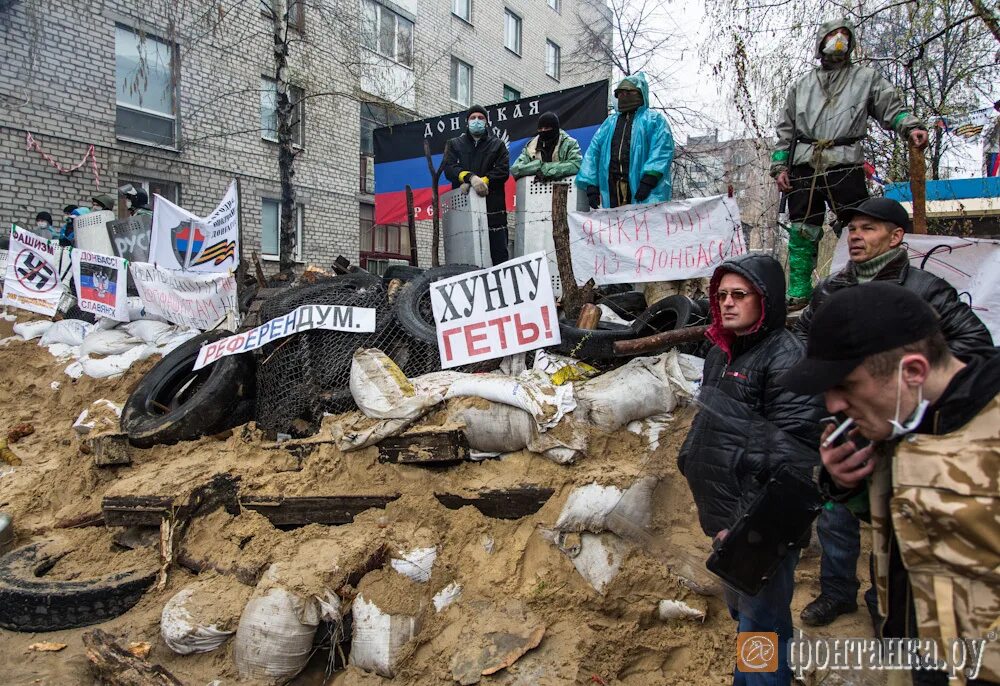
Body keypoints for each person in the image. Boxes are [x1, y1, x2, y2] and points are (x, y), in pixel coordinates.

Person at [780, 282, 1000, 685]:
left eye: (846, 386)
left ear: (913, 371)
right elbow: (911, 535)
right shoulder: (900, 425)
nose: (832, 406)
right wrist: (847, 485)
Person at [792, 196, 994, 628]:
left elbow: (972, 347)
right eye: (852, 229)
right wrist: (840, 394)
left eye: (868, 228)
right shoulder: (832, 289)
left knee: (903, 519)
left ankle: (883, 602)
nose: (857, 237)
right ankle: (840, 592)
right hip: (854, 428)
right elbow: (803, 346)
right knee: (841, 511)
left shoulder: (925, 290)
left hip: (904, 426)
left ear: (896, 236)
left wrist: (905, 393)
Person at [678, 253, 825, 685]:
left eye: (739, 295)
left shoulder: (785, 358)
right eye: (721, 295)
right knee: (753, 615)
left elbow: (792, 456)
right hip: (730, 518)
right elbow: (712, 421)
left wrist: (742, 527)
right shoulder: (721, 354)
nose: (726, 303)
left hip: (762, 525)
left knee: (758, 624)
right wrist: (688, 457)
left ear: (767, 300)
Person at [770, 19, 928, 303]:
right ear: (821, 42)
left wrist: (910, 126)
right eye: (833, 35)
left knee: (857, 225)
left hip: (845, 163)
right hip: (804, 163)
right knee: (803, 228)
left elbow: (890, 107)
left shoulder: (865, 78)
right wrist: (780, 166)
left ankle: (864, 284)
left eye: (845, 35)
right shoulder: (802, 86)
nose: (839, 39)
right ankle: (799, 292)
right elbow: (786, 128)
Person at [576, 72, 674, 209]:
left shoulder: (654, 120)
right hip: (612, 190)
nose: (623, 96)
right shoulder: (609, 123)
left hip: (645, 191)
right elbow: (593, 152)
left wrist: (650, 178)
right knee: (615, 228)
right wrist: (591, 184)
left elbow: (662, 149)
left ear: (640, 93)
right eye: (619, 93)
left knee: (643, 227)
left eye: (628, 92)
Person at [442, 105, 511, 265]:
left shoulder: (498, 145)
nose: (477, 121)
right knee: (464, 259)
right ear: (467, 122)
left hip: (493, 211)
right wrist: (468, 178)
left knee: (498, 257)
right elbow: (449, 168)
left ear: (486, 122)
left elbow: (502, 171)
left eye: (481, 118)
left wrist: (483, 182)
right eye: (473, 118)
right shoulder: (454, 144)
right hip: (463, 211)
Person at [511, 112, 582, 181]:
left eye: (547, 128)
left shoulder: (569, 143)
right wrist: (538, 166)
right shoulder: (531, 146)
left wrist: (549, 170)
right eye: (540, 128)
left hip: (565, 189)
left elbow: (576, 164)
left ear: (555, 128)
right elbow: (515, 169)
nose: (543, 131)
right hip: (536, 190)